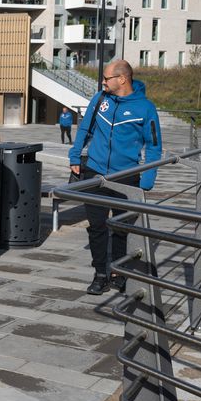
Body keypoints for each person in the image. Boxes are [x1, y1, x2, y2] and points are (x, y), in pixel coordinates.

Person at [69, 59, 162, 296]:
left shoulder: (146, 108)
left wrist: (147, 180)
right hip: (95, 173)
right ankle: (100, 274)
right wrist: (74, 156)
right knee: (97, 227)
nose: (102, 82)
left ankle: (119, 272)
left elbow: (154, 146)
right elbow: (85, 129)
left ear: (121, 79)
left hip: (126, 177)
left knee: (121, 228)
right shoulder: (100, 99)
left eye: (106, 78)